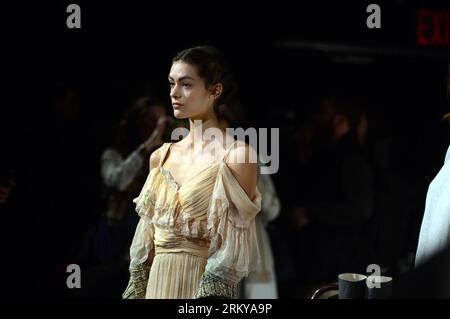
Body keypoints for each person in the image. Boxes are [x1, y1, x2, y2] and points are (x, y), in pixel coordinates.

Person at [122, 46, 262, 299]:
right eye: (171, 83)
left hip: (198, 290)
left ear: (215, 90)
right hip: (157, 286)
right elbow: (146, 244)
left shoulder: (238, 157)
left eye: (186, 85)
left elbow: (230, 250)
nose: (174, 93)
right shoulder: (161, 157)